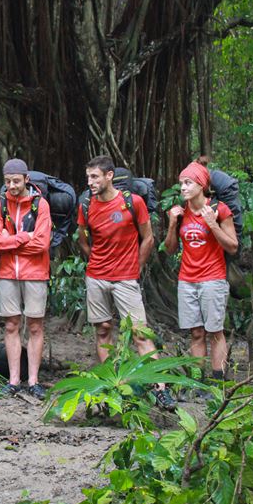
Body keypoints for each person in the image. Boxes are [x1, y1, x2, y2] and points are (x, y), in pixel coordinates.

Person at [77, 155, 175, 409]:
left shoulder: (134, 203)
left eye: (95, 176)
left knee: (140, 333)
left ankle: (160, 389)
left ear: (109, 176)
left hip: (126, 279)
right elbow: (83, 240)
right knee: (102, 330)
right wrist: (97, 263)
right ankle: (113, 387)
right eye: (88, 177)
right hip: (96, 277)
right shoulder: (86, 205)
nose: (90, 182)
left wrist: (136, 267)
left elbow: (148, 238)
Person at [164, 160, 237, 385]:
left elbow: (233, 246)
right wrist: (171, 224)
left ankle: (218, 382)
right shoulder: (181, 212)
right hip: (187, 280)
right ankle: (197, 382)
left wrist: (212, 224)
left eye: (188, 183)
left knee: (215, 331)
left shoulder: (218, 210)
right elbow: (170, 249)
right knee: (196, 333)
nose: (183, 188)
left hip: (213, 279)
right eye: (181, 184)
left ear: (201, 185)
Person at [0, 158, 51, 399]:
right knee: (11, 325)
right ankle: (14, 380)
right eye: (7, 182)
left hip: (35, 273)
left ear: (27, 179)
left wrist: (10, 240)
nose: (12, 186)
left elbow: (42, 244)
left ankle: (34, 380)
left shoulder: (40, 205)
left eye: (16, 181)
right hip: (7, 273)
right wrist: (25, 237)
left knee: (35, 325)